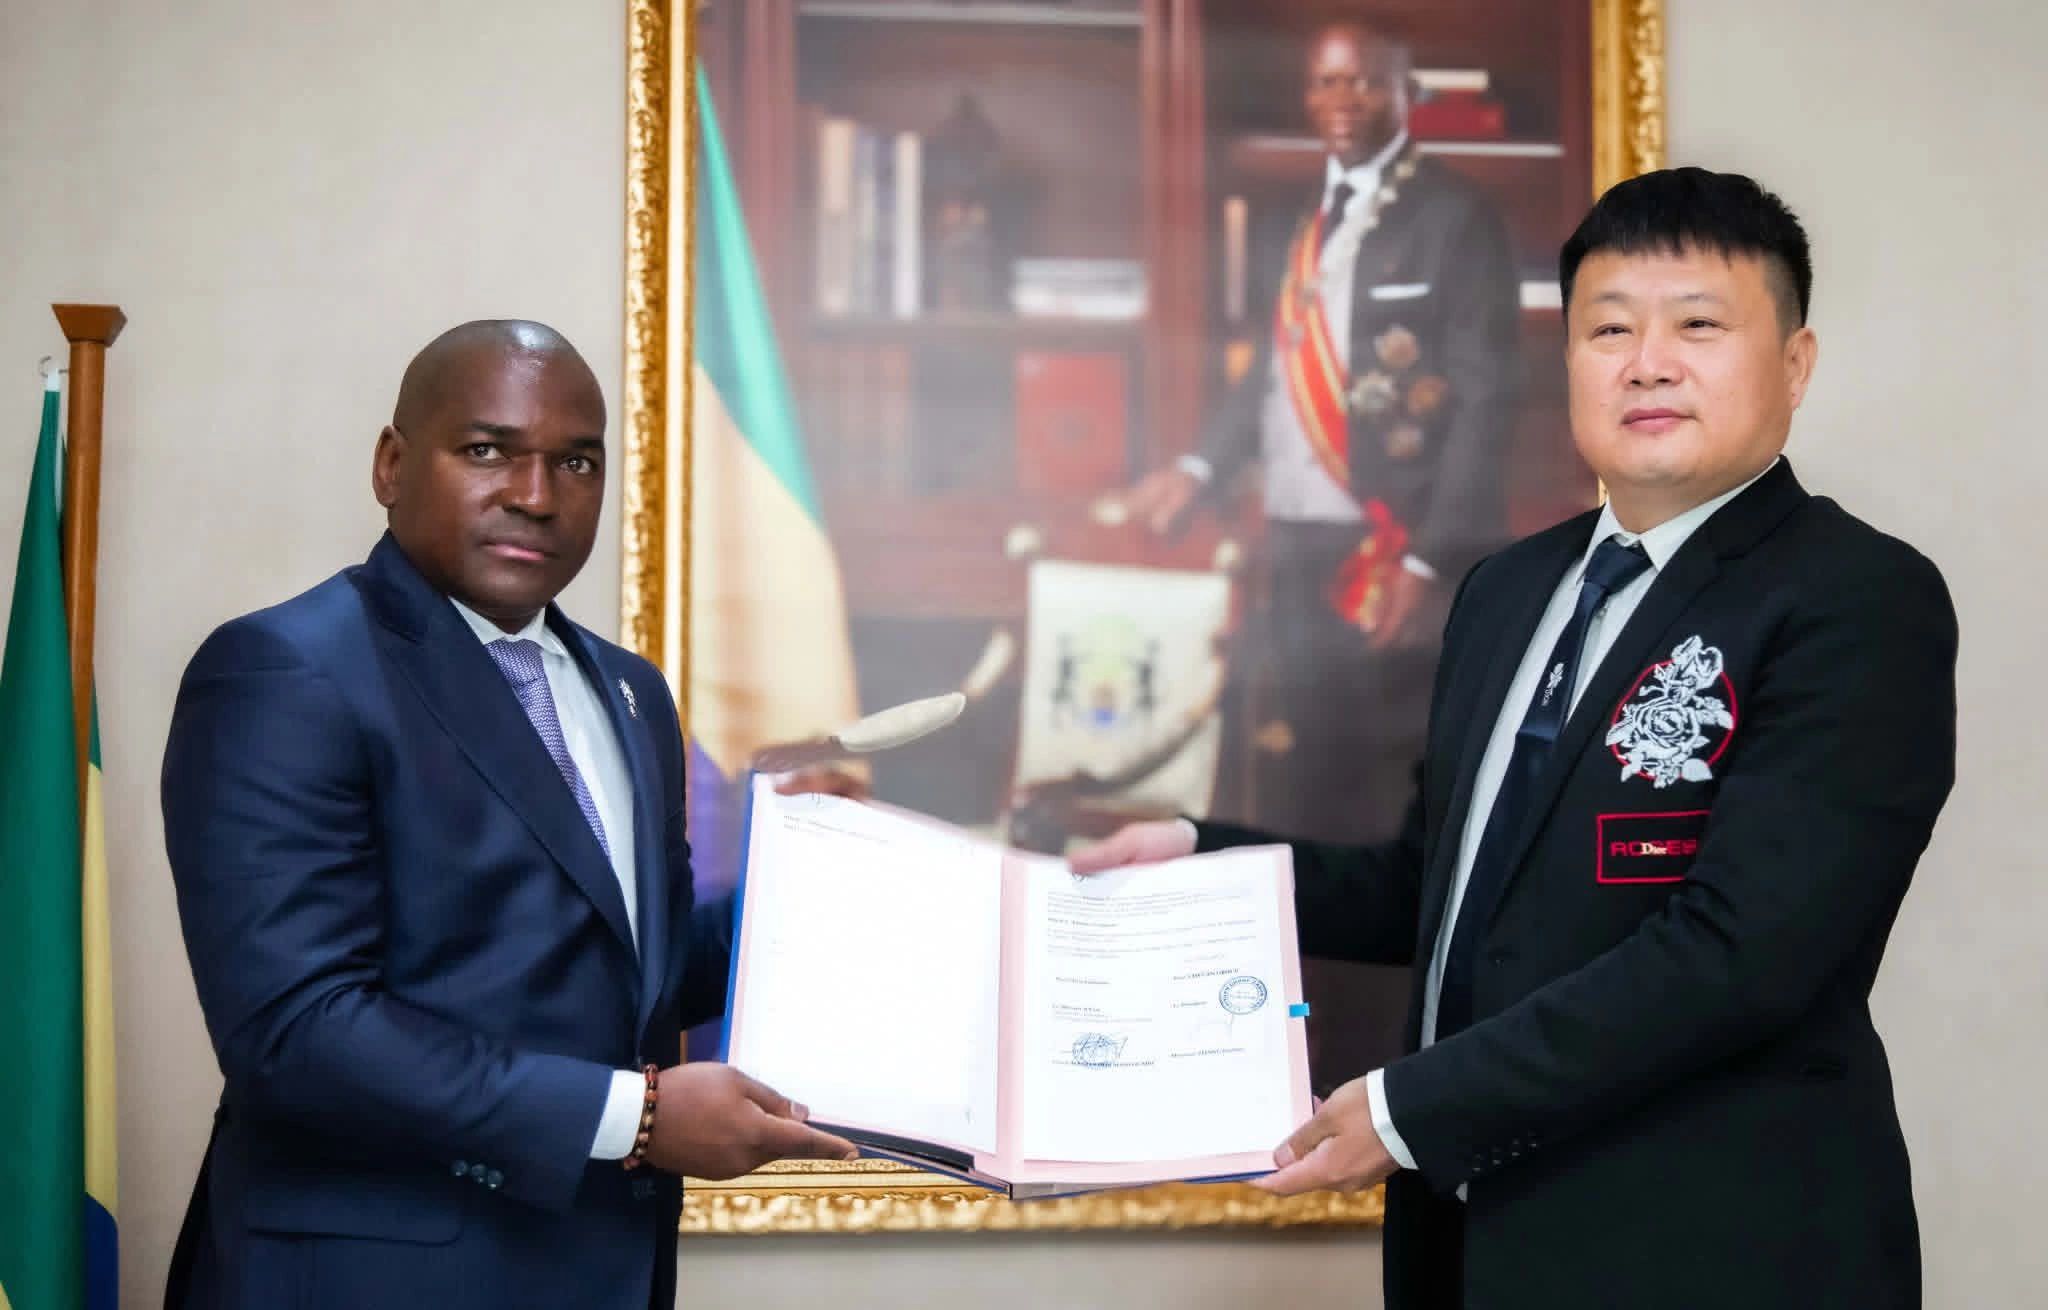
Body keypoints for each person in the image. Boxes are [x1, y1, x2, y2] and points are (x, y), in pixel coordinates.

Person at [1078, 169, 1956, 1308]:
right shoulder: (1505, 590)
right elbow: (1432, 886)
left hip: (1714, 1249)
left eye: (1697, 325)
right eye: (1609, 328)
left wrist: (1410, 1108)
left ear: (1793, 364)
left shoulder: (1854, 598)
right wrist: (1202, 860)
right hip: (1467, 1248)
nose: (1647, 362)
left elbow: (1741, 955)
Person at [160, 321, 856, 1310]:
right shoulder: (288, 669)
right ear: (391, 464)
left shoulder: (631, 692)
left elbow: (633, 975)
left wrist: (811, 886)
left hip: (598, 1266)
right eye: (488, 450)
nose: (536, 494)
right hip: (369, 1281)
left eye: (576, 461)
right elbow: (297, 1030)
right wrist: (637, 1117)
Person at [1124, 20, 1522, 1090]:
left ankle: (1382, 1068)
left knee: (1378, 824)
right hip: (1293, 551)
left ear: (1405, 90)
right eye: (1323, 81)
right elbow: (1266, 378)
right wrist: (1197, 470)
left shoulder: (1454, 218)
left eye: (1362, 81)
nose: (1340, 98)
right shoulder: (1300, 221)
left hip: (1393, 555)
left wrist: (1431, 561)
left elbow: (1489, 397)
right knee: (1295, 798)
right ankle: (1282, 1063)